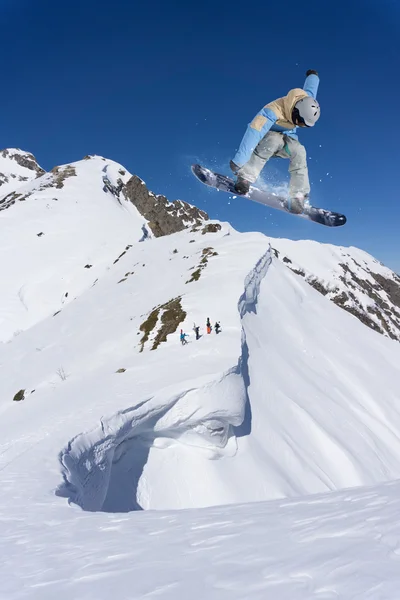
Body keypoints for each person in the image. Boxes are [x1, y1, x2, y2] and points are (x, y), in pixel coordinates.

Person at [230, 70, 320, 214]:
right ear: (295, 112)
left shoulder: (306, 101)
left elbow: (310, 89)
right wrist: (239, 160)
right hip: (265, 143)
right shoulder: (271, 111)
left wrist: (313, 76)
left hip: (287, 141)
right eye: (301, 123)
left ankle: (298, 196)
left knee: (300, 151)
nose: (301, 126)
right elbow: (253, 132)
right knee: (273, 139)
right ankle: (245, 178)